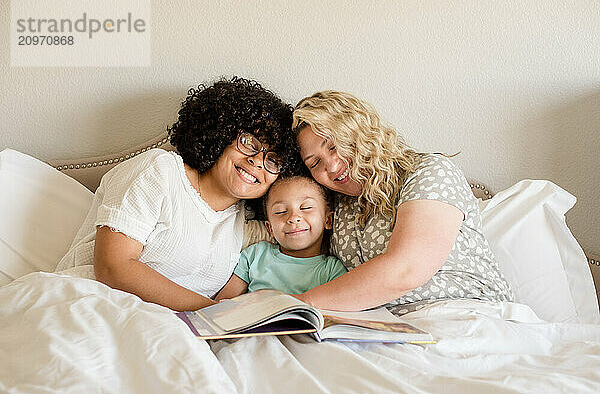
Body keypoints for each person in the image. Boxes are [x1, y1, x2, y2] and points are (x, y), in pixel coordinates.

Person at [54, 77, 299, 311]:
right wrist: (213, 313)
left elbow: (300, 227)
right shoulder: (159, 171)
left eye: (273, 160)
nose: (257, 161)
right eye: (249, 143)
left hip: (171, 330)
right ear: (222, 133)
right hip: (88, 303)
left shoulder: (240, 221)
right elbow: (112, 267)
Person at [290, 90, 514, 314]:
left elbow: (406, 270)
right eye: (315, 162)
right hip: (384, 328)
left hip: (466, 312)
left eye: (334, 146)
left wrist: (299, 303)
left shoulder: (429, 172)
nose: (330, 166)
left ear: (360, 134)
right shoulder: (335, 208)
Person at [215, 176, 347, 300]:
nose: (293, 218)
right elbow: (223, 304)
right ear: (270, 228)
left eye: (306, 208)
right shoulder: (256, 255)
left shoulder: (332, 270)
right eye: (281, 212)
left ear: (328, 220)